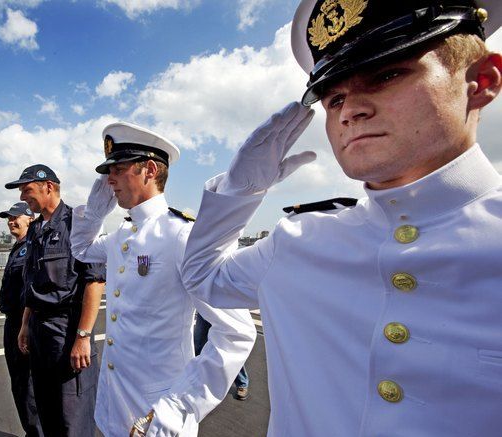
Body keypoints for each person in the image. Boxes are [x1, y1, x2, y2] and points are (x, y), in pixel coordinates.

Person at [181, 0, 502, 435]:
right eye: (333, 98)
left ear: (481, 80)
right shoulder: (298, 240)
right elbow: (202, 278)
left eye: (387, 74)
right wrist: (241, 190)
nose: (350, 110)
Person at [70, 122, 257, 436]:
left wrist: (181, 405)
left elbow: (237, 331)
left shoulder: (182, 236)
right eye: (107, 172)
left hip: (158, 413)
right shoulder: (121, 235)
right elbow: (82, 249)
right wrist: (94, 212)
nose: (109, 179)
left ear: (149, 170)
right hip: (116, 404)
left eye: (117, 169)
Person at [5, 164, 106, 437]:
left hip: (67, 329)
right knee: (46, 407)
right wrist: (25, 325)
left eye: (27, 190)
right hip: (39, 329)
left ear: (48, 186)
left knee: (73, 416)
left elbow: (94, 281)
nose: (24, 197)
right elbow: (31, 283)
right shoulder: (36, 228)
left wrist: (83, 336)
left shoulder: (79, 222)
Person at [0, 201, 41, 437]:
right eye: (9, 218)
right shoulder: (19, 246)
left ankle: (36, 432)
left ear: (30, 219)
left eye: (16, 217)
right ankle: (31, 430)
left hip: (25, 323)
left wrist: (24, 325)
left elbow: (32, 289)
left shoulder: (32, 246)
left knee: (27, 385)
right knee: (18, 381)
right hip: (12, 321)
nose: (11, 221)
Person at [193, 313, 250, 401]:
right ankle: (197, 378)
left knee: (229, 347)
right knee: (198, 343)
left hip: (226, 309)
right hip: (205, 307)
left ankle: (242, 383)